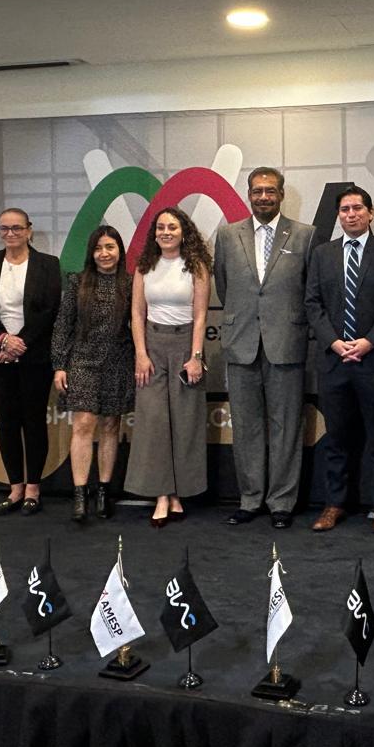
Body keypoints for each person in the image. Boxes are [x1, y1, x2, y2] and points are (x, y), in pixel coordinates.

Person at [213, 167, 316, 530]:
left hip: (286, 343)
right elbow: (224, 286)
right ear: (249, 195)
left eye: (270, 191)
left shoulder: (305, 235)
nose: (263, 197)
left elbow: (309, 289)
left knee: (286, 427)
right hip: (241, 342)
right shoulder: (227, 235)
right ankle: (250, 499)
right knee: (246, 427)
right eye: (257, 191)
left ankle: (282, 502)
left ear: (281, 194)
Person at [305, 186, 374, 534]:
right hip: (334, 361)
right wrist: (334, 343)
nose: (351, 214)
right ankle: (333, 504)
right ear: (338, 215)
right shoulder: (322, 254)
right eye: (345, 209)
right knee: (336, 439)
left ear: (370, 213)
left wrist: (368, 342)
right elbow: (312, 304)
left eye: (357, 208)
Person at [0, 208, 62, 516]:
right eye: (4, 228)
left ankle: (33, 487)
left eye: (17, 228)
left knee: (33, 421)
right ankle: (15, 488)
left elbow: (50, 311)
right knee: (6, 423)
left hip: (34, 354)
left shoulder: (48, 265)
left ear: (29, 230)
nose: (10, 233)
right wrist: (3, 340)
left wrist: (19, 343)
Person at [126, 207, 211, 527]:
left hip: (185, 344)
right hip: (152, 346)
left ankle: (177, 494)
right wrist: (141, 354)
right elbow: (137, 314)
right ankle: (162, 495)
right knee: (154, 423)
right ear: (154, 233)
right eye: (160, 227)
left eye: (172, 227)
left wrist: (196, 356)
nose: (166, 232)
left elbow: (201, 316)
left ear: (183, 231)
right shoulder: (144, 266)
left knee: (185, 423)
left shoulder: (196, 266)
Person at [50, 225, 135, 523]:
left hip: (119, 362)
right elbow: (63, 325)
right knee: (83, 425)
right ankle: (79, 493)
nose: (104, 253)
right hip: (82, 362)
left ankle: (103, 492)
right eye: (99, 248)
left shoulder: (130, 284)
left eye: (110, 247)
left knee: (111, 426)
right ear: (91, 253)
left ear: (120, 250)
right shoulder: (78, 282)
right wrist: (59, 365)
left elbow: (137, 326)